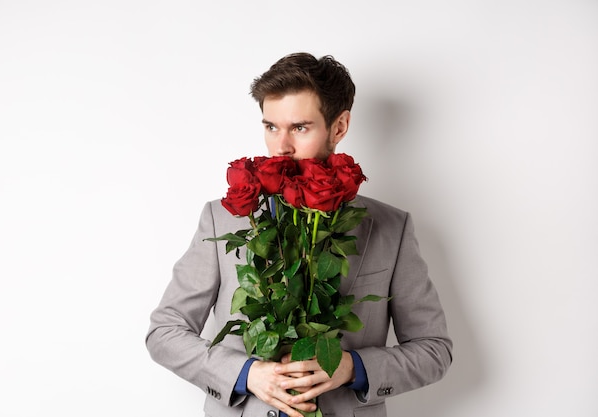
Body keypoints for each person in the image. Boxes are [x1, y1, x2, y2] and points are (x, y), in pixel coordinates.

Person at [146, 52, 453, 417]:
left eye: (300, 128)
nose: (281, 146)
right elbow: (164, 332)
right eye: (271, 127)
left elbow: (435, 349)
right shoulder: (220, 219)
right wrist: (246, 374)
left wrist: (352, 368)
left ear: (339, 127)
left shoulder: (391, 227)